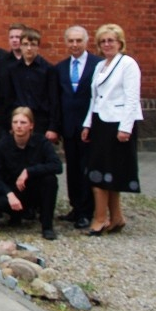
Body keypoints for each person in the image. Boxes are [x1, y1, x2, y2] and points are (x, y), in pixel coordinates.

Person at [82, 23, 142, 236]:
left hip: (118, 124)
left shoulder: (128, 64)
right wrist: (87, 123)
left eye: (111, 41)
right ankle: (117, 217)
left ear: (120, 43)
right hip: (100, 121)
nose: (107, 44)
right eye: (103, 41)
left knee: (100, 175)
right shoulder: (100, 66)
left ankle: (99, 219)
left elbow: (132, 97)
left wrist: (126, 127)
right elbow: (95, 97)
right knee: (107, 174)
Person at [0, 107, 62, 241]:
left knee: (50, 180)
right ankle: (15, 216)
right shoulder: (3, 144)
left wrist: (29, 171)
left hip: (34, 188)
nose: (19, 126)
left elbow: (57, 166)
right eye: (15, 122)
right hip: (13, 191)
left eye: (23, 122)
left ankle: (47, 226)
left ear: (31, 125)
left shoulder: (41, 142)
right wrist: (9, 194)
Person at [56, 25, 100, 229]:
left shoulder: (97, 65)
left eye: (78, 40)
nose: (74, 44)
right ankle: (75, 208)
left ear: (86, 41)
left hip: (89, 126)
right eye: (71, 41)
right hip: (69, 127)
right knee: (72, 169)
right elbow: (58, 99)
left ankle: (87, 211)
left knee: (86, 169)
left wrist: (90, 123)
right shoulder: (61, 67)